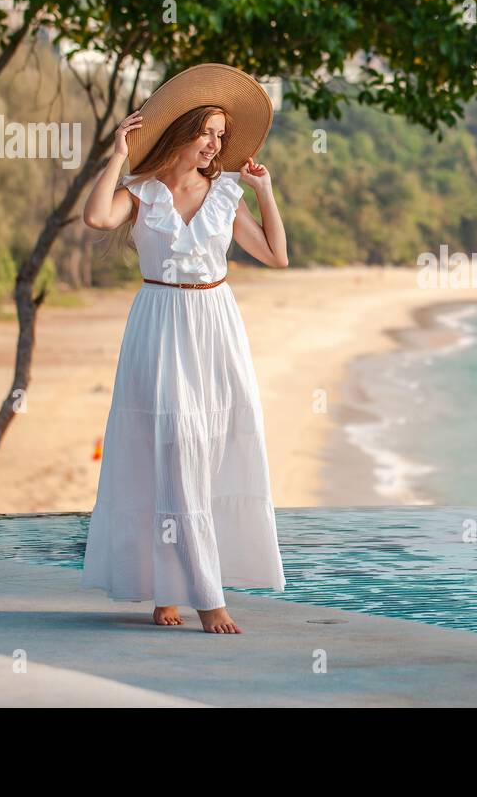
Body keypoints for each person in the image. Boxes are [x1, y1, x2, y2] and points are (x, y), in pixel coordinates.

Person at [79, 63, 289, 634]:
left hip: (215, 326)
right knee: (169, 449)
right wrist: (117, 153)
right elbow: (96, 217)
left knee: (208, 449)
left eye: (222, 136)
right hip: (161, 323)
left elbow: (276, 255)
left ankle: (172, 589)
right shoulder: (142, 192)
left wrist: (265, 192)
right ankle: (201, 596)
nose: (216, 145)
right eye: (209, 133)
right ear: (183, 133)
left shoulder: (226, 193)